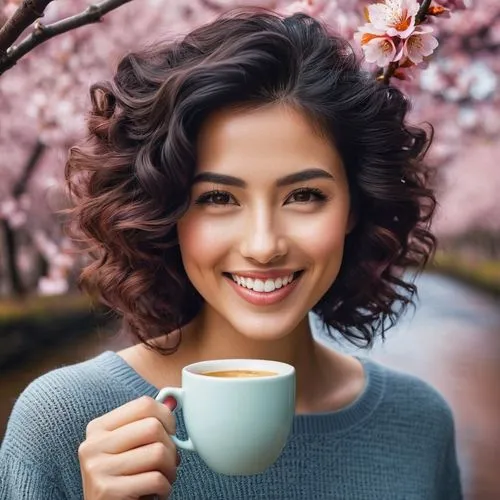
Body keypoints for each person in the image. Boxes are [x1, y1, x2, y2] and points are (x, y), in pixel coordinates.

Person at [0, 8, 462, 500]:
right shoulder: (62, 424)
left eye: (305, 195)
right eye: (218, 198)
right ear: (168, 211)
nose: (263, 246)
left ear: (354, 206)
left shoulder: (418, 424)